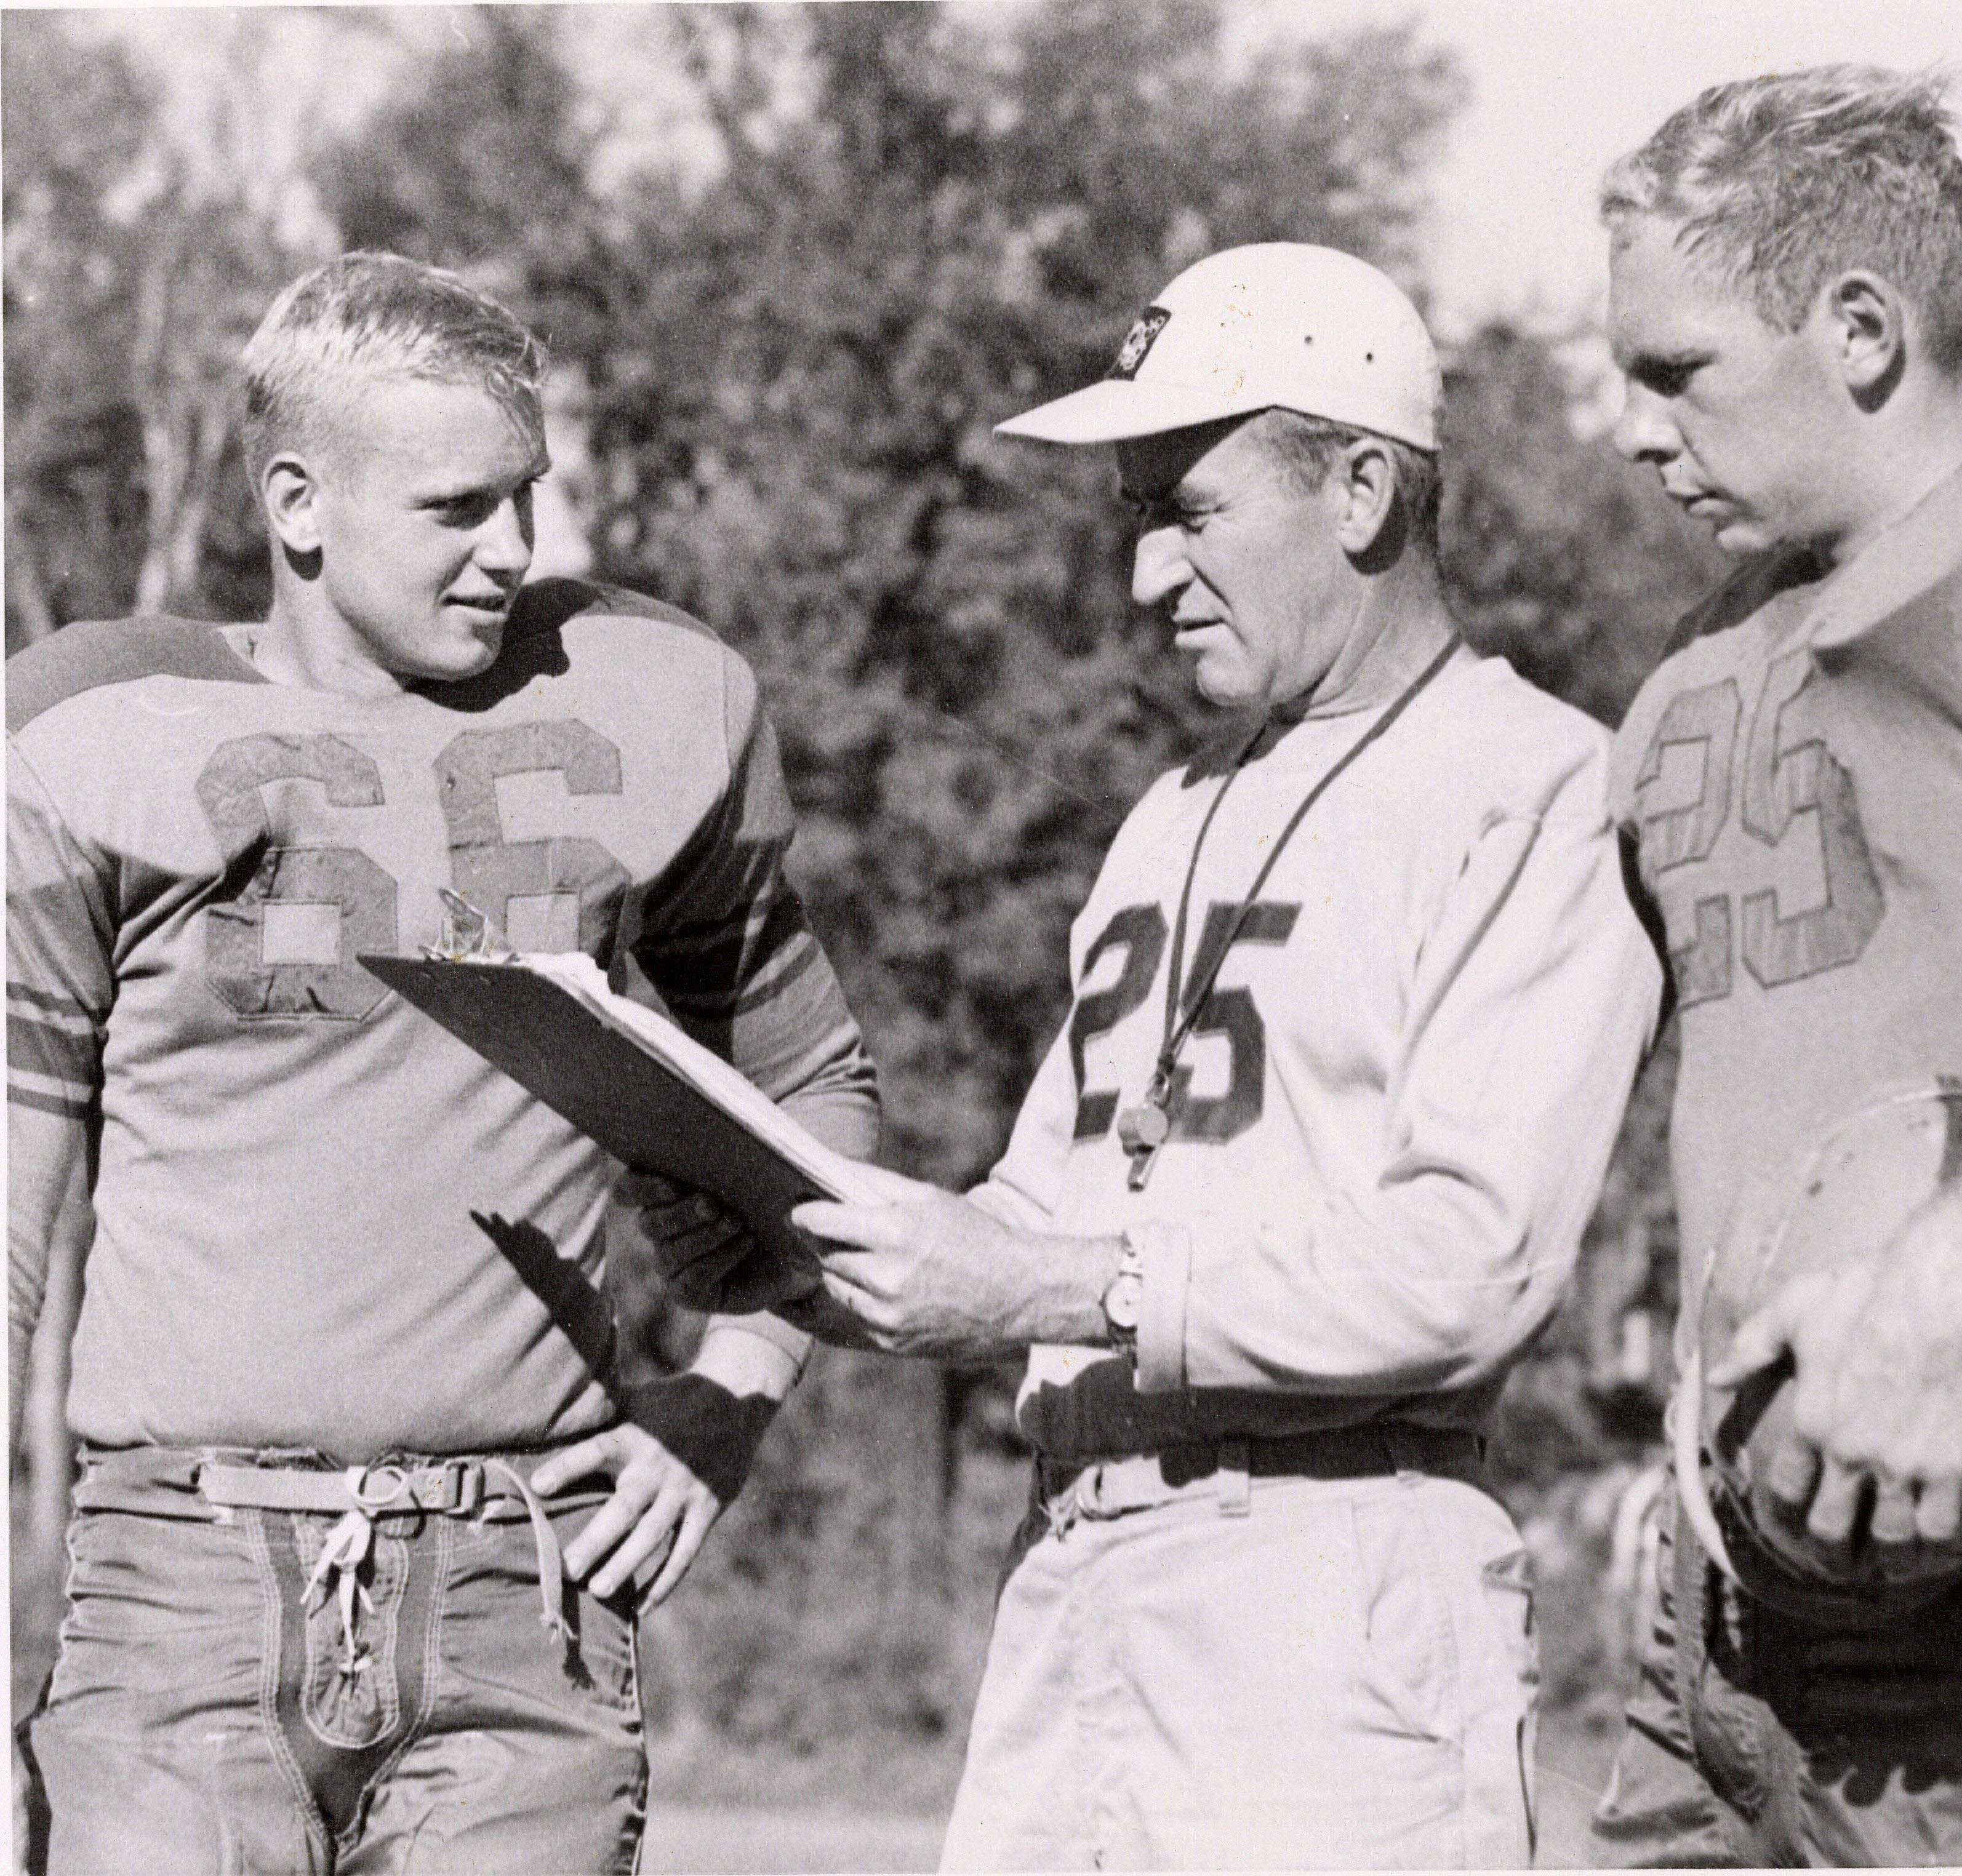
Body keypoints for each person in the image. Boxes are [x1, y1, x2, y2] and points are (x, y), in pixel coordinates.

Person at [640, 241, 1663, 1869]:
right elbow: (1033, 1211)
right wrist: (790, 1248)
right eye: (1136, 517)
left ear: (1361, 489)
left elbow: (1469, 1262)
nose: (1141, 576)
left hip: (1332, 1576)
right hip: (1080, 1561)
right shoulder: (1174, 807)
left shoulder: (1536, 784)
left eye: (1187, 508)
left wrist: (1057, 1290)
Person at [7, 252, 878, 1874]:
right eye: (457, 507)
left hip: (524, 1589)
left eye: (528, 498)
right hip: (173, 1584)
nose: (515, 551)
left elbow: (816, 1087)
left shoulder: (651, 692)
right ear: (297, 503)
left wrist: (736, 1391)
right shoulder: (90, 725)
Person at [1590, 66, 1962, 1866]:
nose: (1631, 431)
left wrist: (1945, 1294)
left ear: (1857, 329)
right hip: (1729, 1603)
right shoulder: (1696, 660)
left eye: (1672, 368)